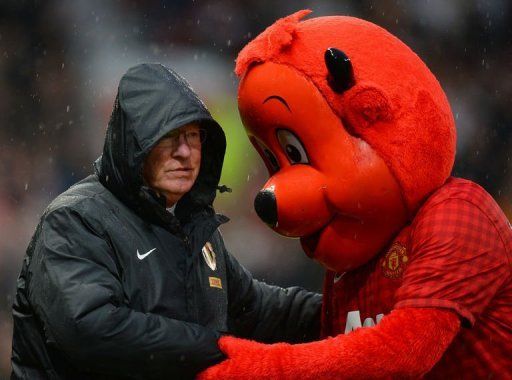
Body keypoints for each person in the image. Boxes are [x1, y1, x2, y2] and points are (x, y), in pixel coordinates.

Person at [10, 63, 322, 379]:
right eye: (168, 136)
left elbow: (253, 309)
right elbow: (92, 328)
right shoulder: (76, 220)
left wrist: (338, 312)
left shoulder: (191, 225)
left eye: (193, 136)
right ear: (134, 143)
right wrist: (218, 348)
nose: (185, 152)